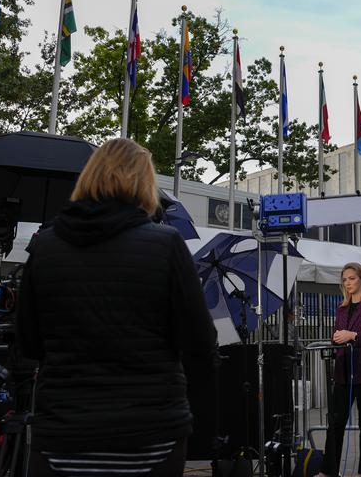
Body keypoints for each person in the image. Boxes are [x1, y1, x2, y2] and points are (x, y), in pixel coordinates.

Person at [17, 138, 217, 476]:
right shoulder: (166, 244)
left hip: (63, 435)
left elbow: (30, 342)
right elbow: (200, 341)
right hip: (150, 436)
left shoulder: (45, 247)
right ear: (144, 183)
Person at [319, 262, 361, 477]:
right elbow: (337, 334)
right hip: (343, 371)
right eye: (345, 279)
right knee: (335, 422)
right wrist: (337, 337)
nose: (348, 283)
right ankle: (328, 471)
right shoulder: (341, 308)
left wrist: (354, 335)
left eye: (352, 278)